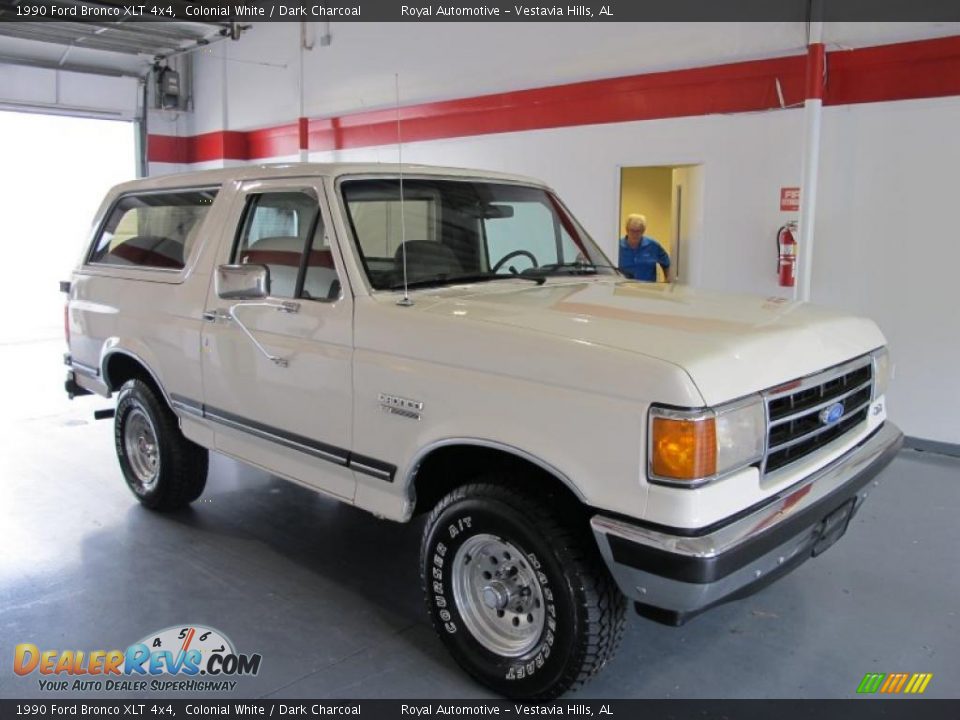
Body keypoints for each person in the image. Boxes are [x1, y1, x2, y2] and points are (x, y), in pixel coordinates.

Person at [618, 213, 670, 282]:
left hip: (648, 289)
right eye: (632, 231)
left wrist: (667, 281)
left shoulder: (653, 246)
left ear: (643, 231)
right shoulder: (617, 246)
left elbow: (667, 264)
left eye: (638, 231)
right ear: (627, 230)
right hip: (622, 288)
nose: (635, 234)